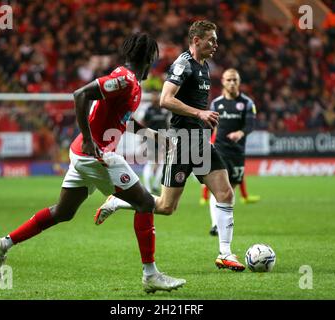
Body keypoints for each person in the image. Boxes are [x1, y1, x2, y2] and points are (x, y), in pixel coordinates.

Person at [0, 33, 186, 294]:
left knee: (63, 212)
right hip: (95, 154)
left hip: (83, 154)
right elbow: (80, 94)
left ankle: (3, 244)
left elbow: (122, 119)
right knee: (145, 203)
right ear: (149, 58)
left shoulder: (130, 82)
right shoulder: (124, 79)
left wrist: (151, 135)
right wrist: (91, 141)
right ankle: (151, 274)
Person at [94, 21, 245, 272]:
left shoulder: (204, 67)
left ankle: (225, 254)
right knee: (166, 207)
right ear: (196, 40)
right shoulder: (183, 64)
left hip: (199, 142)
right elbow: (165, 99)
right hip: (183, 142)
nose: (216, 44)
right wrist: (200, 114)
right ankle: (119, 200)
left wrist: (202, 121)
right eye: (211, 40)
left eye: (216, 39)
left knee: (226, 193)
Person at [205, 68, 260, 237]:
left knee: (230, 190)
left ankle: (223, 221)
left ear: (239, 82)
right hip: (219, 150)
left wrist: (240, 133)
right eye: (229, 80)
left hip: (237, 152)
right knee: (218, 188)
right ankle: (215, 224)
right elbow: (209, 125)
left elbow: (250, 125)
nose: (232, 83)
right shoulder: (216, 103)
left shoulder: (247, 103)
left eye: (235, 80)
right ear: (222, 81)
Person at [141, 92, 170, 194]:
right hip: (150, 140)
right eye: (154, 97)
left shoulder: (163, 111)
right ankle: (148, 188)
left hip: (162, 140)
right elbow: (143, 124)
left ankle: (155, 185)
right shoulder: (148, 111)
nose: (155, 99)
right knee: (151, 163)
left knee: (162, 163)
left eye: (157, 97)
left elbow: (166, 125)